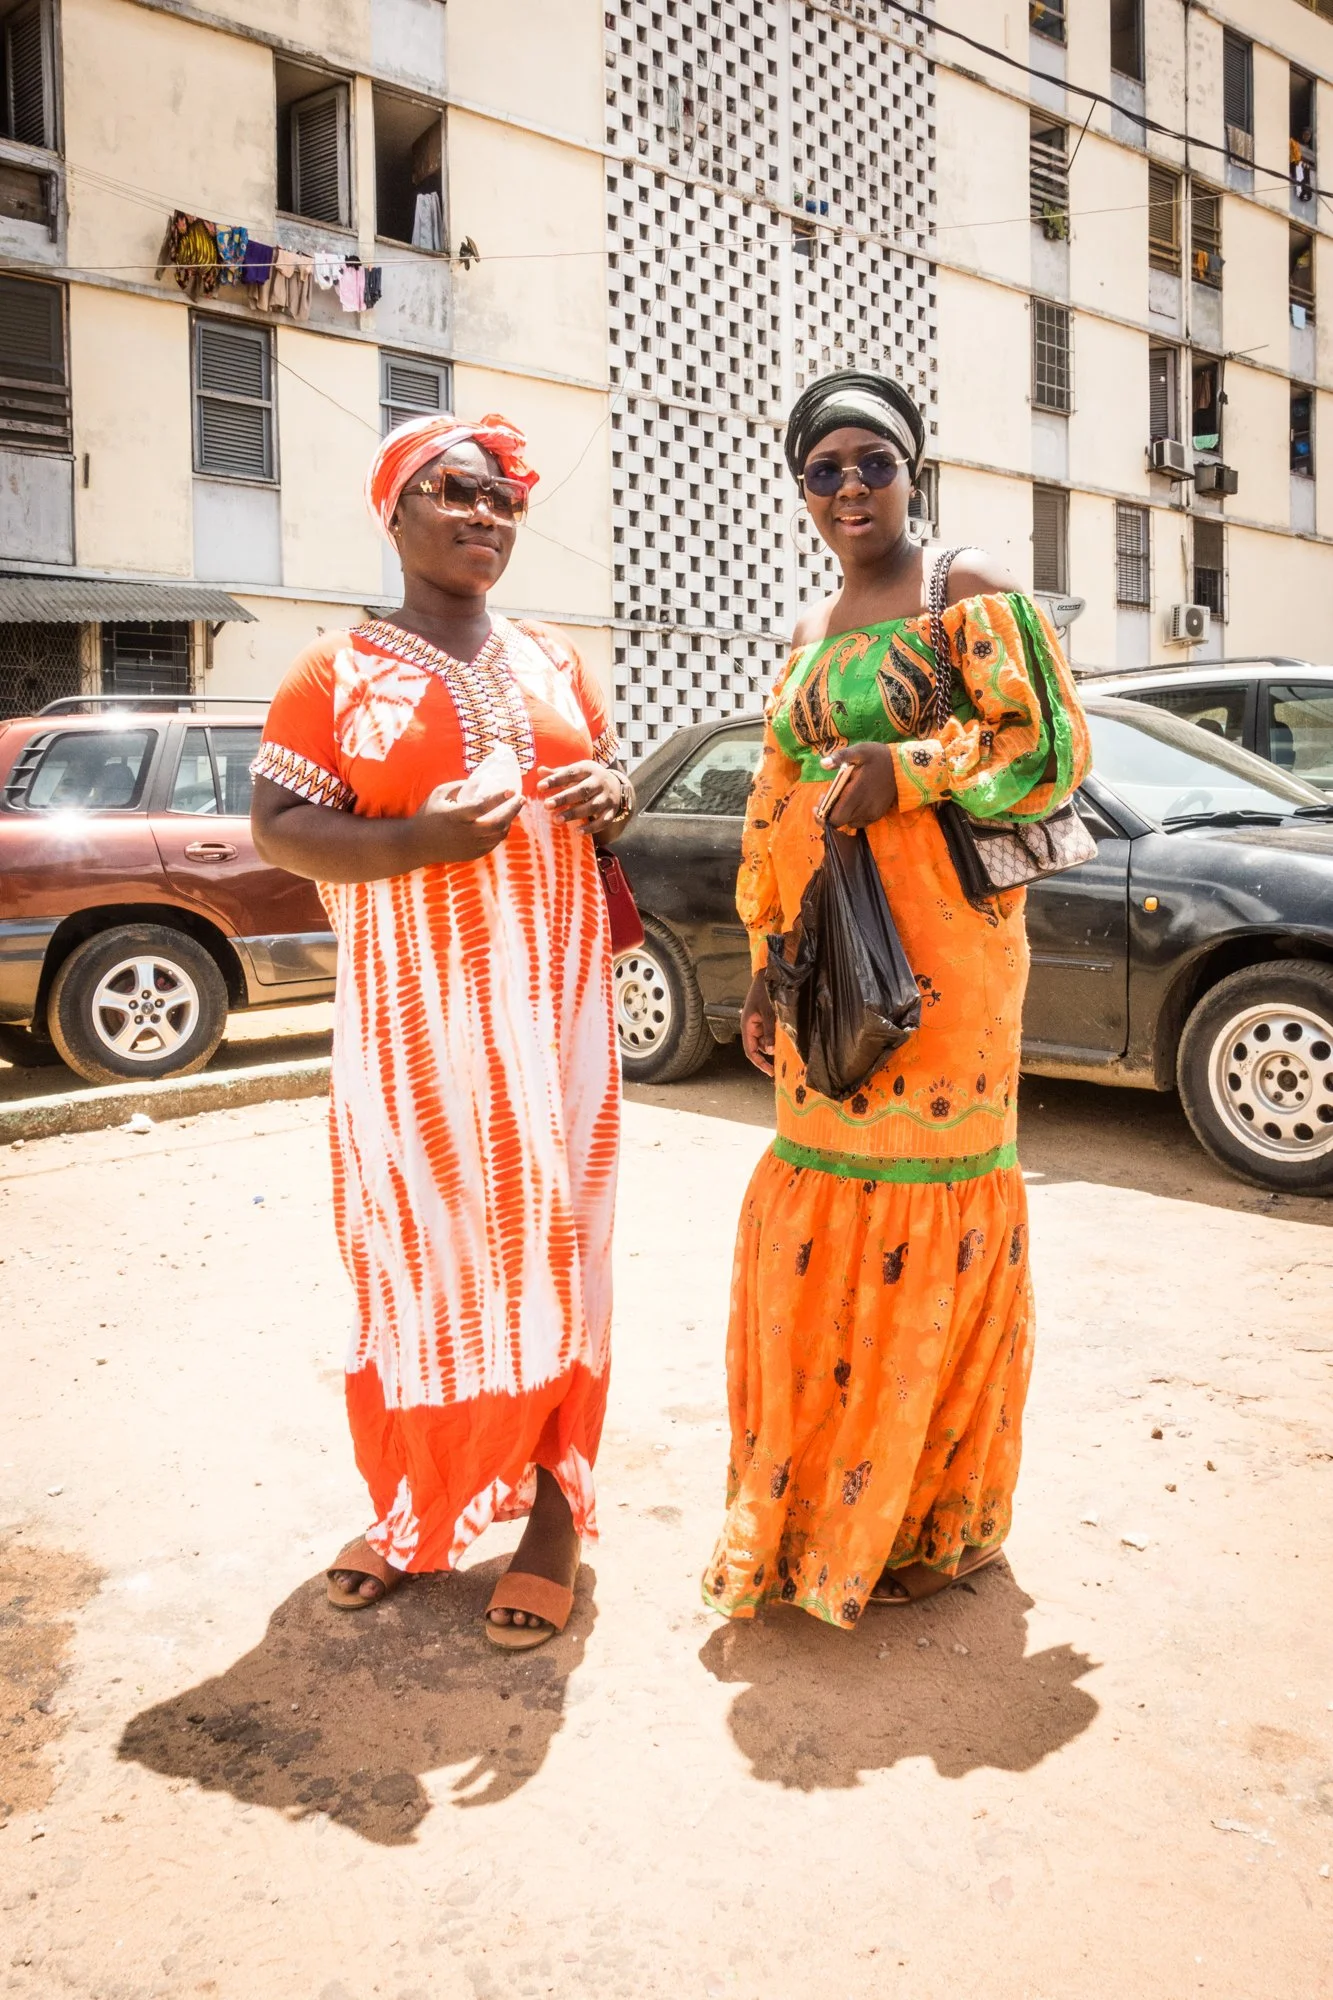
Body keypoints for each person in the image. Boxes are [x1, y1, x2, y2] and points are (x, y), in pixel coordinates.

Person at [703, 369, 1091, 1628]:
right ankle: (821, 1513)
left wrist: (911, 767)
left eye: (872, 462)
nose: (850, 487)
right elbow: (773, 799)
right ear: (801, 488)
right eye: (823, 470)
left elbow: (1048, 747)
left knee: (933, 1208)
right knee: (817, 1202)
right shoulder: (810, 627)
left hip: (945, 968)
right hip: (825, 963)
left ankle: (935, 1517)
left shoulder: (962, 586)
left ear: (912, 469)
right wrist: (764, 960)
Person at [250, 411, 633, 1650]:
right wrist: (418, 839)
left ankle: (554, 1514)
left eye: (502, 500)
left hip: (555, 1017)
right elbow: (277, 828)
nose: (486, 515)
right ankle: (417, 1501)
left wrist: (614, 790)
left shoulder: (554, 659)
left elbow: (606, 784)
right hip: (412, 1030)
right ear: (395, 511)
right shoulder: (334, 671)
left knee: (558, 1246)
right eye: (457, 492)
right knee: (418, 1255)